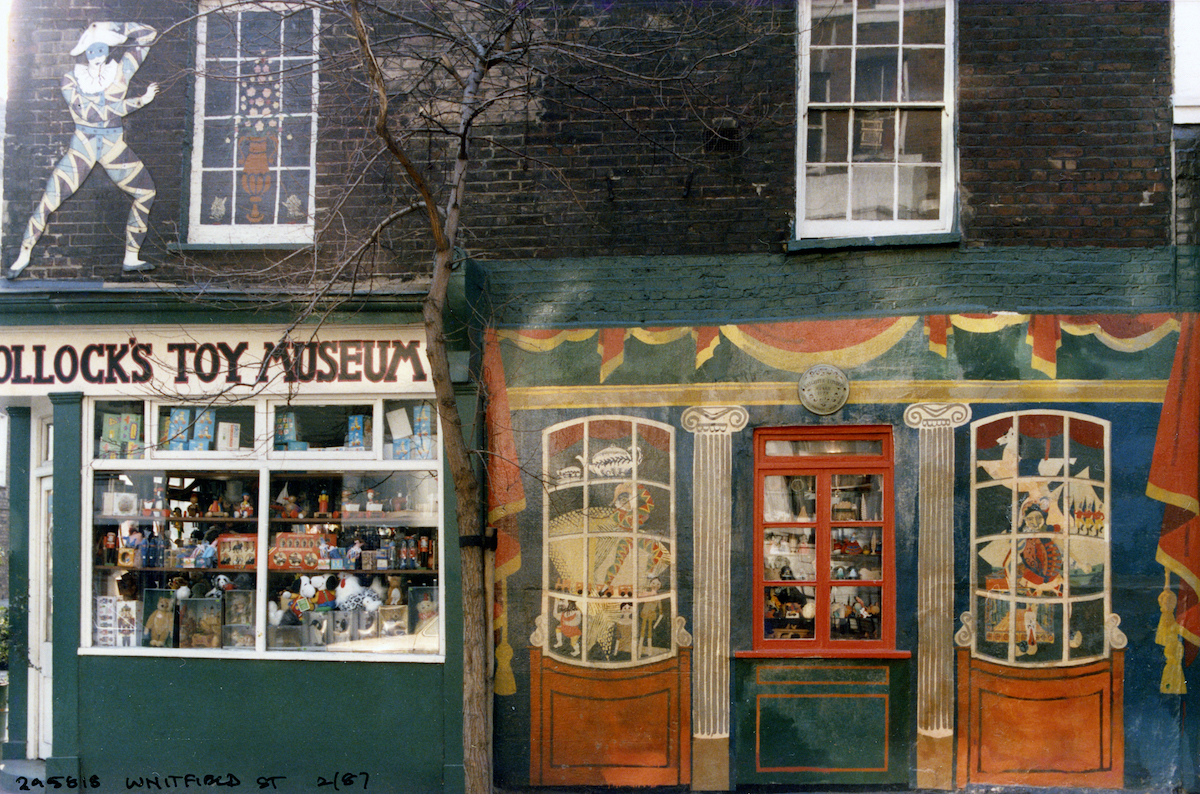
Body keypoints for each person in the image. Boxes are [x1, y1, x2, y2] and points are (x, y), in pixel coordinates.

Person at [8, 21, 159, 279]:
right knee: (49, 200)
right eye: (91, 50)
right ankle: (23, 254)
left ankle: (131, 257)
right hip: (83, 148)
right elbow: (91, 114)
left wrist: (112, 27)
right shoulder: (70, 79)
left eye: (101, 48)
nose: (97, 55)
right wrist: (139, 101)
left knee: (146, 192)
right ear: (84, 53)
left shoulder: (121, 70)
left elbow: (148, 34)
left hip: (113, 147)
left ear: (108, 49)